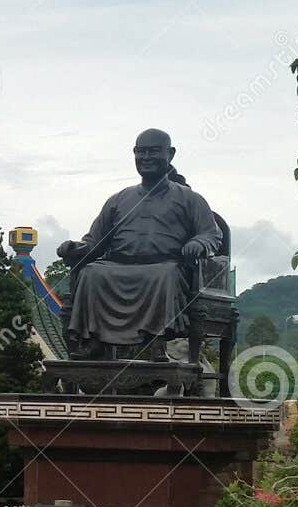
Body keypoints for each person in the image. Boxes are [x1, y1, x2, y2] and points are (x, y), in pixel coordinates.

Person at [59, 129, 221, 360]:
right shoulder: (118, 199)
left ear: (170, 154)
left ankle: (157, 342)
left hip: (165, 266)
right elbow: (94, 241)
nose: (146, 158)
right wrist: (76, 248)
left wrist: (198, 243)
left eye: (154, 151)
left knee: (166, 274)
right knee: (90, 273)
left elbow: (211, 234)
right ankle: (92, 341)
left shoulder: (189, 199)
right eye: (140, 152)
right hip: (118, 265)